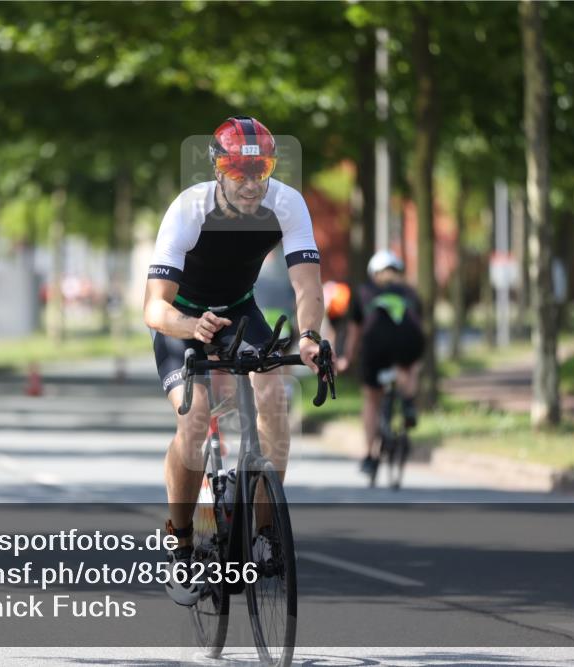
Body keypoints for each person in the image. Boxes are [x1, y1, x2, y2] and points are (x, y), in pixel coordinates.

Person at [143, 116, 327, 605]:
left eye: (259, 170)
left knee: (274, 398)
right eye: (237, 170)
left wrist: (310, 336)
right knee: (195, 416)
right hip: (182, 319)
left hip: (240, 312)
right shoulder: (190, 209)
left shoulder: (286, 203)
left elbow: (307, 286)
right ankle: (180, 543)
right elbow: (153, 307)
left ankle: (264, 533)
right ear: (217, 169)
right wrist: (190, 327)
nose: (250, 183)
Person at [337, 250, 424, 478]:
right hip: (407, 344)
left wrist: (347, 358)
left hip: (375, 345)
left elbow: (355, 332)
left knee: (371, 400)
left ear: (373, 273)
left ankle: (369, 455)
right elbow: (417, 327)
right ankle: (407, 401)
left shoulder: (364, 292)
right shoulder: (411, 293)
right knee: (410, 364)